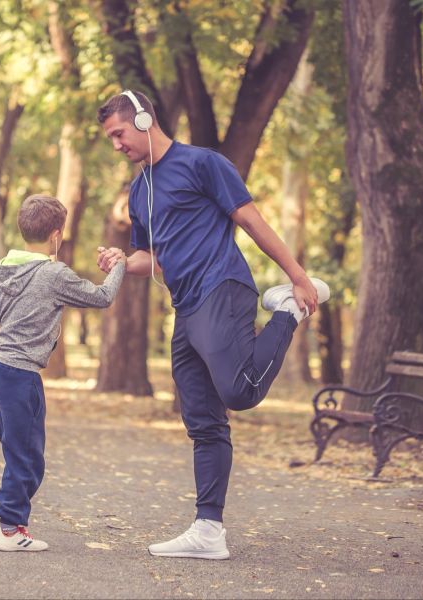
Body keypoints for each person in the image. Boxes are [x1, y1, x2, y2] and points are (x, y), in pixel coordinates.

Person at [95, 90, 330, 560]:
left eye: (119, 134)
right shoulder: (140, 191)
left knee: (240, 392)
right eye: (110, 139)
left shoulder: (203, 164)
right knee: (202, 420)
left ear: (143, 119)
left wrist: (297, 277)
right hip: (186, 307)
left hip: (221, 287)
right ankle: (208, 530)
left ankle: (286, 310)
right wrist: (123, 259)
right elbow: (152, 260)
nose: (116, 145)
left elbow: (253, 221)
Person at [0, 194, 126, 552]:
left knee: (20, 445)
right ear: (56, 235)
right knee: (25, 456)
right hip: (21, 374)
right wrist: (117, 264)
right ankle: (9, 529)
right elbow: (103, 297)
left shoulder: (3, 268)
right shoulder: (53, 274)